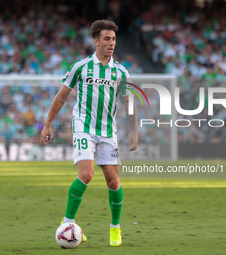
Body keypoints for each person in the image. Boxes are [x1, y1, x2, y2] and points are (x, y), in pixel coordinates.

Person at [40, 19, 138, 247]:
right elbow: (61, 97)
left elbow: (128, 102)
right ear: (96, 41)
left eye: (113, 39)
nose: (111, 43)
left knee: (113, 181)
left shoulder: (121, 71)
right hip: (83, 127)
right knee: (86, 174)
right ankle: (68, 224)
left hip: (108, 132)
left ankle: (115, 228)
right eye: (106, 38)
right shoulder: (81, 67)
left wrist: (134, 131)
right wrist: (48, 124)